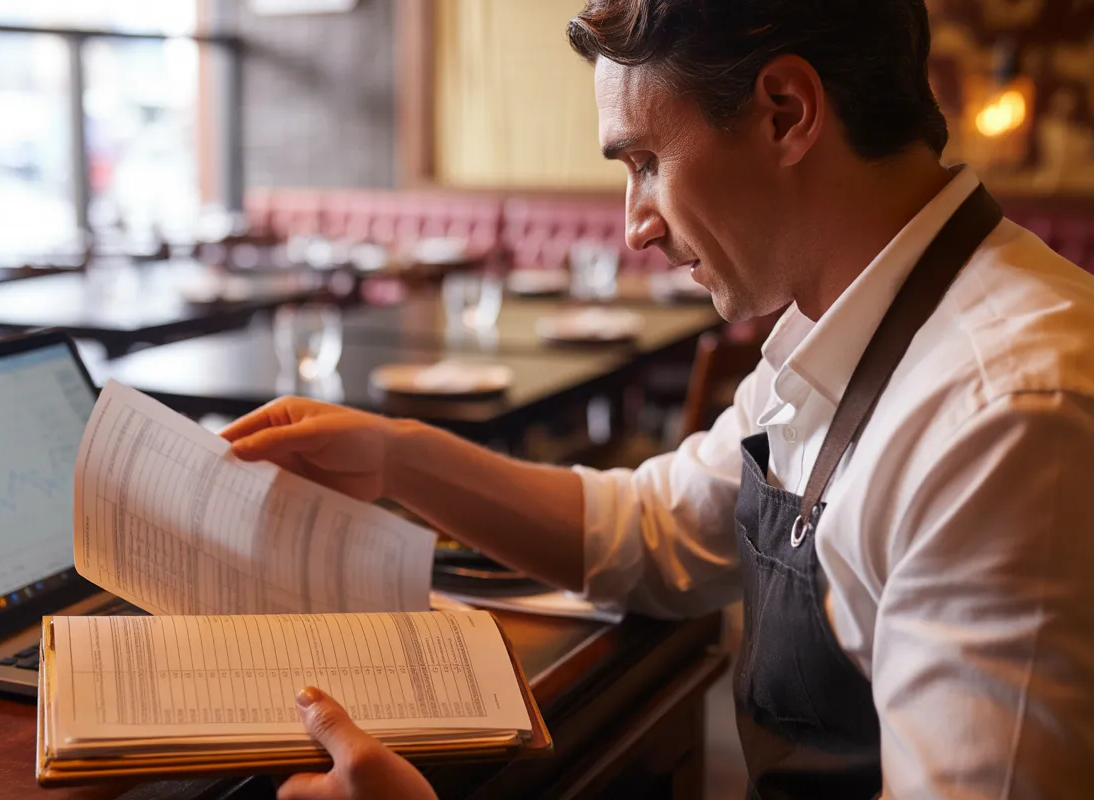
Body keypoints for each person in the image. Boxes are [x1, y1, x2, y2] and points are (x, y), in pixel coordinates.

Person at [224, 1, 1094, 797]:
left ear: (786, 112)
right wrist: (396, 458)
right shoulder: (845, 321)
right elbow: (655, 528)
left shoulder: (1006, 418)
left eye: (645, 161)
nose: (635, 224)